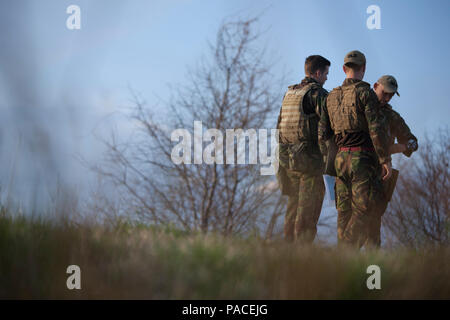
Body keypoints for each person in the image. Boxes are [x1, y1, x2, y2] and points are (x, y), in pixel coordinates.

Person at [318, 50, 392, 248]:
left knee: (343, 212)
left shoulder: (330, 97)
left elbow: (322, 135)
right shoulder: (366, 93)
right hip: (363, 159)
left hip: (339, 160)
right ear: (364, 69)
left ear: (344, 69)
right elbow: (375, 130)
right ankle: (346, 250)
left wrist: (330, 160)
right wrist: (384, 160)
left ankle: (343, 265)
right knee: (364, 208)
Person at [276, 55, 330, 243]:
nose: (326, 79)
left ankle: (288, 254)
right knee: (308, 214)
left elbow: (279, 126)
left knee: (292, 209)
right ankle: (302, 259)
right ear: (317, 73)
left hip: (287, 160)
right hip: (309, 163)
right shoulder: (318, 94)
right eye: (326, 74)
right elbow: (327, 128)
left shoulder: (289, 93)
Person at [367, 75, 418, 247]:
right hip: (357, 170)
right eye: (385, 93)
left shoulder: (391, 116)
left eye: (391, 95)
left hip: (380, 175)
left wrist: (399, 147)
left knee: (373, 225)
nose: (387, 98)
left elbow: (412, 141)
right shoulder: (361, 108)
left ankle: (370, 268)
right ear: (375, 86)